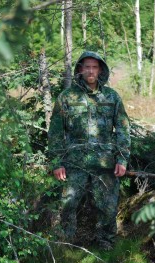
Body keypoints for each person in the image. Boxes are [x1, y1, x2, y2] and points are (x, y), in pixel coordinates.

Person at [48, 51, 130, 250]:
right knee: (68, 204)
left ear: (100, 70)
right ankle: (65, 243)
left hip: (105, 162)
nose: (90, 71)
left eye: (94, 67)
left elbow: (122, 128)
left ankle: (105, 242)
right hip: (75, 161)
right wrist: (57, 162)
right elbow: (56, 131)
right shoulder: (67, 97)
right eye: (87, 67)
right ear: (80, 69)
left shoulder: (111, 96)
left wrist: (122, 158)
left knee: (108, 207)